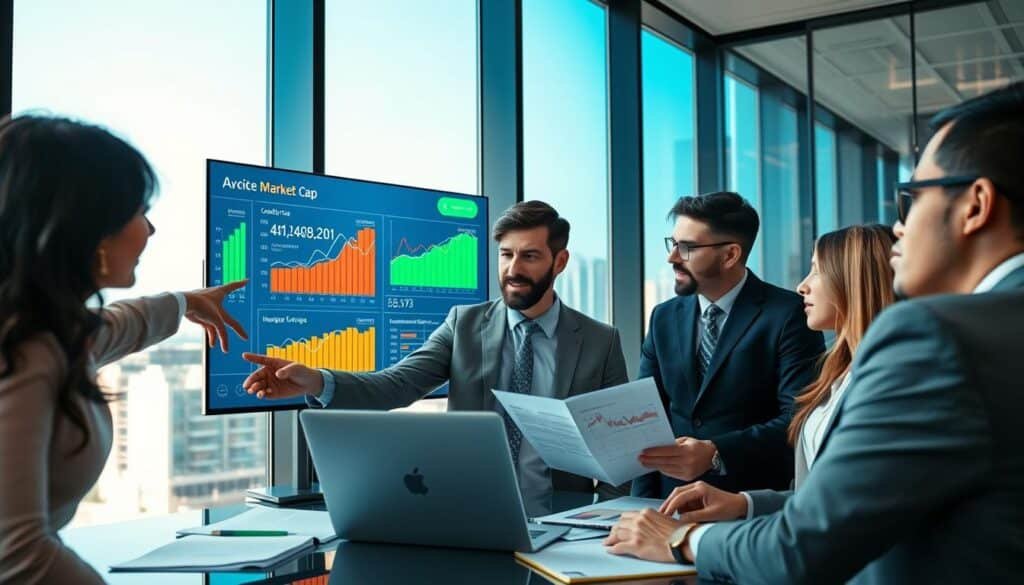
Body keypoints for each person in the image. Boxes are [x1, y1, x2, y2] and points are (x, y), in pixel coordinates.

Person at [605, 81, 1024, 583]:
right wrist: (741, 504)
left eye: (912, 197)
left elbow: (805, 547)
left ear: (976, 205)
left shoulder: (936, 336)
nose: (899, 227)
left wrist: (681, 540)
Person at [242, 200, 630, 506]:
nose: (513, 268)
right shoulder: (464, 324)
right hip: (465, 514)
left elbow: (617, 450)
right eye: (506, 255)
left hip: (562, 521)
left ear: (559, 261)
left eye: (530, 256)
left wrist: (600, 526)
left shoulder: (600, 341)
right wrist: (316, 380)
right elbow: (395, 385)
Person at [0, 115, 247, 584]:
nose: (150, 230)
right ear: (88, 228)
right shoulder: (24, 346)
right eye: (138, 211)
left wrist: (186, 303)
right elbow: (16, 553)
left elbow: (116, 327)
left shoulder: (45, 330)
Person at [635, 224, 896, 530]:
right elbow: (815, 498)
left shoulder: (888, 384)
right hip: (736, 518)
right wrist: (743, 504)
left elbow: (847, 509)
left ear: (855, 283)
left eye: (816, 271)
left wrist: (691, 545)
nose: (802, 286)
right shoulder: (834, 373)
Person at [631, 192, 824, 499]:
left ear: (730, 254)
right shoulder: (663, 317)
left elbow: (797, 419)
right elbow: (645, 416)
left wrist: (715, 452)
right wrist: (639, 504)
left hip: (750, 508)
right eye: (673, 243)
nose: (672, 258)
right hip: (667, 504)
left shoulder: (789, 315)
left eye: (687, 248)